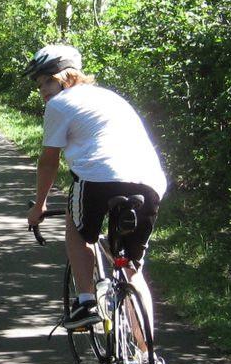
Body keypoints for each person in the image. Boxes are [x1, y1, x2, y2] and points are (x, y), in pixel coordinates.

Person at [24, 43, 168, 331]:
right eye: (40, 84)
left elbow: (48, 162)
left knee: (75, 225)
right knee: (129, 269)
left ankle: (86, 302)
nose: (43, 90)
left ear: (66, 75)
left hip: (98, 177)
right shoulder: (110, 97)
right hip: (150, 181)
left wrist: (39, 206)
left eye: (47, 81)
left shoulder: (59, 104)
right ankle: (147, 362)